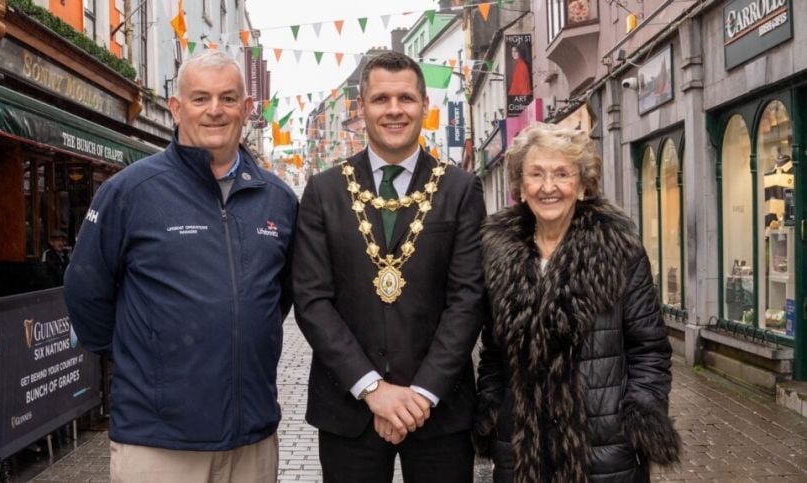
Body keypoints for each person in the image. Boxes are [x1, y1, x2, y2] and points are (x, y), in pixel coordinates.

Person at [64, 50, 298, 483]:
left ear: (247, 109)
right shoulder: (131, 191)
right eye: (200, 98)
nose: (215, 110)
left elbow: (277, 298)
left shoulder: (277, 199)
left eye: (229, 98)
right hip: (158, 442)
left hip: (251, 439)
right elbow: (86, 291)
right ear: (176, 107)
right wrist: (146, 359)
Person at [293, 51, 487, 483]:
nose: (394, 110)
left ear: (425, 106)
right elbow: (311, 299)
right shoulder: (323, 191)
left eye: (406, 98)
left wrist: (421, 393)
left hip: (438, 409)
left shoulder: (460, 189)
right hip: (348, 407)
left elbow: (468, 298)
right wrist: (372, 389)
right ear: (361, 109)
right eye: (381, 99)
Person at [473, 123, 681, 482]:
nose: (548, 187)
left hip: (603, 445)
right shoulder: (497, 254)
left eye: (561, 174)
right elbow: (493, 352)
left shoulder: (619, 250)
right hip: (522, 446)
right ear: (520, 188)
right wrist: (492, 411)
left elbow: (649, 349)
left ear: (583, 185)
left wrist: (639, 414)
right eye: (535, 174)